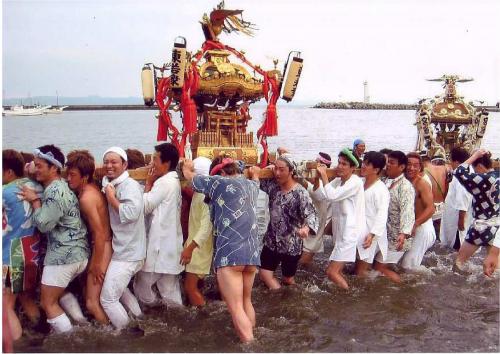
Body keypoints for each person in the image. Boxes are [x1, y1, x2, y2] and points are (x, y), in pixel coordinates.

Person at [182, 157, 261, 343]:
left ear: (222, 173)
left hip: (229, 253)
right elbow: (256, 179)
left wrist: (186, 167)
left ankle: (251, 345)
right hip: (252, 252)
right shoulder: (251, 186)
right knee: (246, 301)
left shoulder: (219, 182)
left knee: (235, 308)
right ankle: (253, 337)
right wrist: (256, 173)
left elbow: (190, 178)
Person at [19, 145, 90, 333]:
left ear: (54, 168)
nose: (35, 168)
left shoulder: (55, 192)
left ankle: (71, 340)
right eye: (35, 164)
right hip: (77, 253)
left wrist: (35, 201)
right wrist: (31, 171)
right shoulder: (59, 185)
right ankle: (83, 324)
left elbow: (43, 224)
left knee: (48, 302)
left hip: (63, 256)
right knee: (60, 291)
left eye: (40, 165)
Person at [100, 146, 146, 330]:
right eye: (106, 162)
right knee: (121, 290)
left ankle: (129, 334)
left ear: (125, 164)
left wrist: (111, 198)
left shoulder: (129, 186)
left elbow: (131, 213)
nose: (109, 166)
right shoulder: (111, 183)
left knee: (108, 299)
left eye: (114, 162)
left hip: (129, 252)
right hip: (125, 248)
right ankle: (140, 318)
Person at [133, 143, 184, 307]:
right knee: (169, 290)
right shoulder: (173, 180)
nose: (151, 163)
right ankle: (177, 318)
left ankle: (152, 313)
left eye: (155, 159)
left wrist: (148, 183)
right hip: (171, 244)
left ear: (166, 163)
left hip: (159, 246)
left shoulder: (164, 183)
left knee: (142, 286)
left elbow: (145, 207)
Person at [258, 153, 318, 289]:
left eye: (282, 169)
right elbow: (256, 181)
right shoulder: (273, 187)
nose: (277, 173)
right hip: (271, 241)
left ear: (291, 171)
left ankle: (291, 297)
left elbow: (311, 213)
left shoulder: (300, 193)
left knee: (288, 279)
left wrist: (306, 228)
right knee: (264, 274)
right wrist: (261, 169)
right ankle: (279, 298)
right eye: (275, 169)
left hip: (291, 244)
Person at [66, 150, 112, 325]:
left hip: (103, 246)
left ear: (84, 176)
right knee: (90, 294)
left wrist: (96, 264)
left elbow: (99, 234)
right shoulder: (92, 187)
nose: (68, 179)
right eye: (67, 174)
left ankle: (111, 338)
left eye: (73, 175)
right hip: (102, 245)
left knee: (92, 303)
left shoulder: (86, 198)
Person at [2, 149, 44, 339]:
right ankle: (41, 335)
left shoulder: (4, 192)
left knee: (6, 306)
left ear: (9, 172)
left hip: (12, 254)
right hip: (31, 251)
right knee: (26, 297)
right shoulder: (35, 186)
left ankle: (17, 346)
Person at [316, 148, 365, 289]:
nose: (339, 166)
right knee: (337, 271)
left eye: (344, 164)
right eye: (339, 163)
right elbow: (321, 196)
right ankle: (345, 293)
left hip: (350, 234)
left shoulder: (355, 182)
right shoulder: (338, 181)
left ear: (353, 168)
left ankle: (349, 296)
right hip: (340, 233)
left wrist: (324, 176)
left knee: (331, 272)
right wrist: (316, 180)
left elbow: (332, 196)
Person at [453, 149, 499, 273]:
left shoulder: (482, 179)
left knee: (458, 263)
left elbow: (458, 171)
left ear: (478, 166)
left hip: (480, 227)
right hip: (496, 227)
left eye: (474, 168)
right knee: (494, 268)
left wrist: (474, 156)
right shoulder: (498, 176)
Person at [180, 156, 213, 306]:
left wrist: (189, 248)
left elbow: (205, 228)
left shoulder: (205, 196)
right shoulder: (202, 191)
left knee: (190, 287)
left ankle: (203, 315)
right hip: (199, 246)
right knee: (197, 284)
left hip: (198, 248)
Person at [377, 150, 415, 282]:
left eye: (392, 163)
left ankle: (403, 287)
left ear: (402, 167)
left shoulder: (405, 187)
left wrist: (403, 233)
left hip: (397, 237)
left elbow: (408, 211)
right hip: (384, 234)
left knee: (380, 268)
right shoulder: (385, 180)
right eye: (388, 162)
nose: (388, 165)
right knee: (376, 266)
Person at [355, 151, 390, 277]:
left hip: (371, 236)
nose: (363, 166)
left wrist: (372, 234)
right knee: (362, 270)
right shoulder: (360, 183)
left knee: (360, 273)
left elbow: (382, 215)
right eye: (363, 162)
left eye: (367, 164)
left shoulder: (381, 190)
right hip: (361, 232)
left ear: (376, 170)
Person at [400, 153, 436, 270]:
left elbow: (431, 209)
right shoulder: (402, 181)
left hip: (422, 227)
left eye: (415, 165)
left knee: (408, 266)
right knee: (400, 263)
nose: (411, 168)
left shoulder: (422, 184)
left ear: (420, 168)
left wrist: (416, 224)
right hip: (408, 228)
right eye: (409, 164)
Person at [300, 152, 333, 265]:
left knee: (303, 262)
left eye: (318, 164)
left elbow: (319, 194)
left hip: (317, 224)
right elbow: (305, 185)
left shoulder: (326, 185)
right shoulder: (314, 182)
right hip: (306, 222)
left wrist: (316, 180)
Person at [439, 147, 473, 249]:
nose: (450, 163)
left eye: (451, 160)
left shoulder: (461, 176)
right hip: (456, 214)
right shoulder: (467, 171)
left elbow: (463, 197)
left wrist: (461, 220)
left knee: (457, 244)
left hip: (457, 219)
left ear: (457, 161)